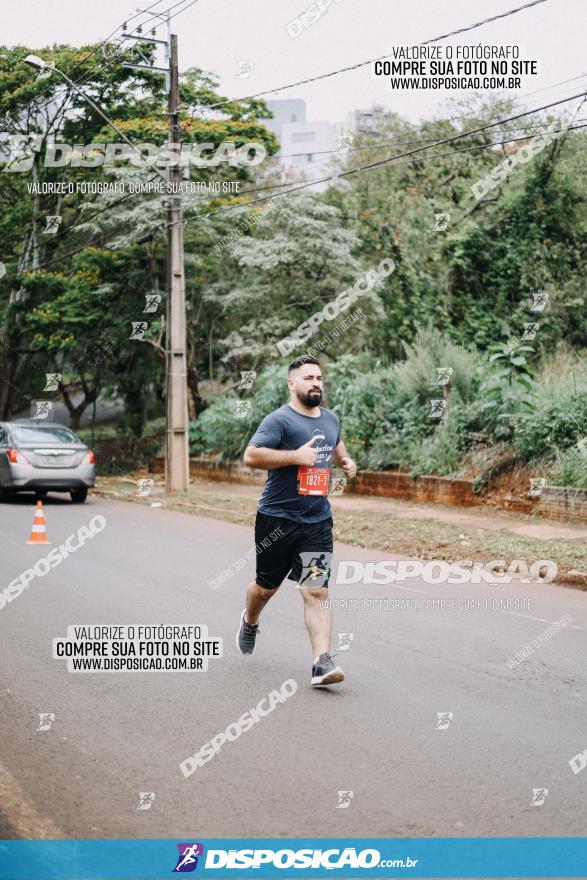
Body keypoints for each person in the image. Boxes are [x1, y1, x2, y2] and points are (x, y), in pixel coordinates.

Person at [236, 355, 357, 686]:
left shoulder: (331, 419)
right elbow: (251, 455)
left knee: (316, 591)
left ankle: (321, 662)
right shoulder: (279, 420)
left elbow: (335, 445)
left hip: (316, 522)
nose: (316, 382)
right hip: (276, 520)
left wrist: (345, 461)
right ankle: (250, 620)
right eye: (308, 378)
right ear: (292, 384)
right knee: (266, 588)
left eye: (319, 377)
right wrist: (295, 457)